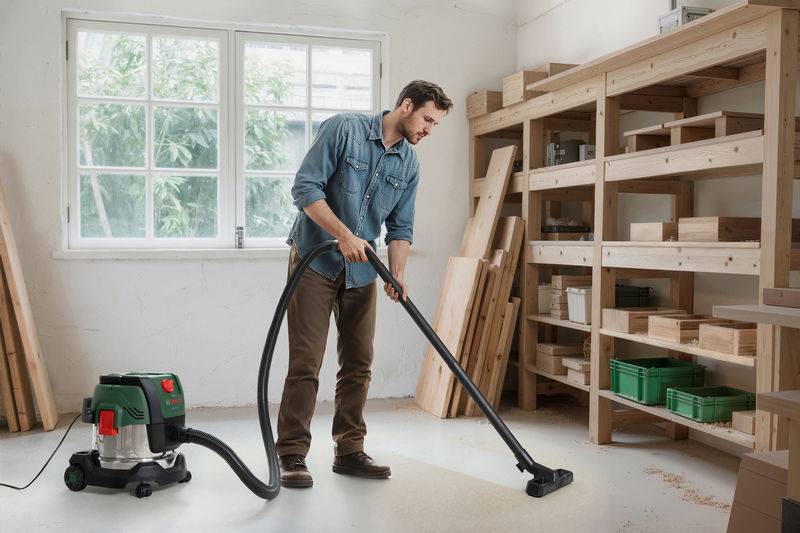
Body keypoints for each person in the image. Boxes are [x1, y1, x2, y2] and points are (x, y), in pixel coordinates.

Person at [276, 80, 452, 488]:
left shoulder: (409, 164)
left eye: (435, 124)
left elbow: (401, 227)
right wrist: (342, 234)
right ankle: (291, 453)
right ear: (406, 106)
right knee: (306, 362)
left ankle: (350, 450)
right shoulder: (344, 129)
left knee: (358, 363)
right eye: (427, 119)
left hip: (362, 270)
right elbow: (304, 187)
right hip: (314, 261)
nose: (428, 129)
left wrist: (397, 274)